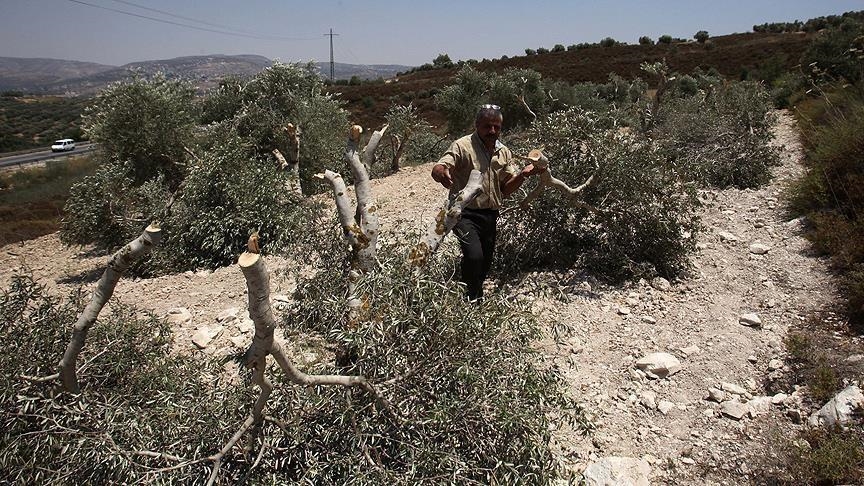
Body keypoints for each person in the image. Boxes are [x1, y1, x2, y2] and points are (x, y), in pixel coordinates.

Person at [431, 104, 545, 300]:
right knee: (474, 256)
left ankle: (473, 291)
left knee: (485, 261)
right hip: (464, 213)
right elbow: (441, 165)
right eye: (487, 126)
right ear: (477, 125)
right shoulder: (462, 145)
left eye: (497, 127)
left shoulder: (504, 152)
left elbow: (505, 189)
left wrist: (523, 175)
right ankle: (471, 299)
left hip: (490, 214)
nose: (492, 131)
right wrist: (441, 172)